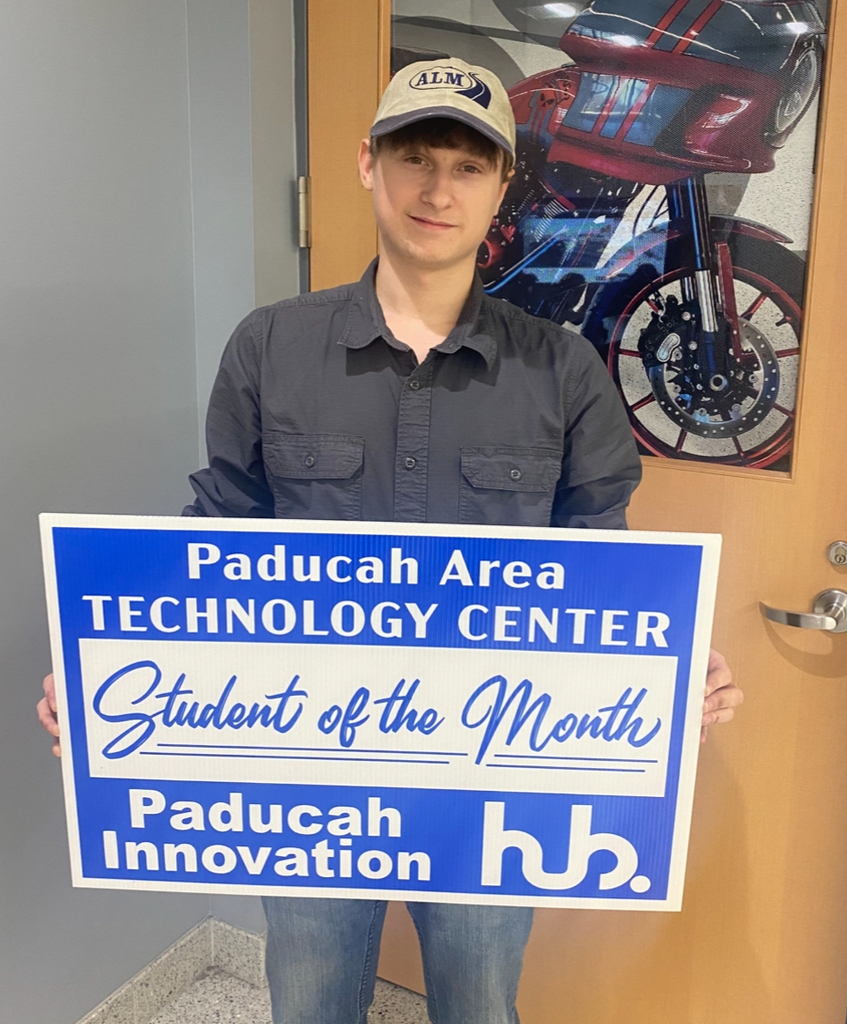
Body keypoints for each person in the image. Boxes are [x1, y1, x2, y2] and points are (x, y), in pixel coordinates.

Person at [38, 59, 742, 1024]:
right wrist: (104, 666)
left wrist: (667, 676)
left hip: (493, 774)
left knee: (479, 1005)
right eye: (415, 156)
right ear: (367, 164)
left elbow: (601, 567)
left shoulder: (564, 371)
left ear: (501, 186)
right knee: (313, 1003)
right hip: (307, 774)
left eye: (466, 163)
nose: (436, 188)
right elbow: (217, 539)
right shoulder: (268, 346)